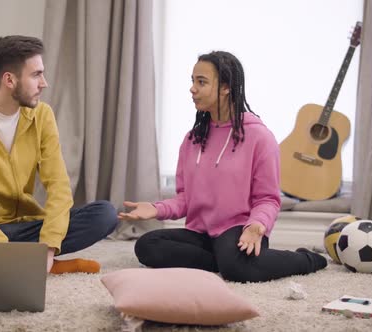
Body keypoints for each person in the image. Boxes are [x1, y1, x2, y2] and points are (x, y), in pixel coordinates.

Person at [118, 51, 327, 283]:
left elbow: (267, 199)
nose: (192, 88)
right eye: (192, 80)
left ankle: (306, 259)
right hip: (201, 234)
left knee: (237, 269)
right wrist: (157, 209)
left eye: (202, 82)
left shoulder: (259, 137)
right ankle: (226, 261)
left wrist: (257, 226)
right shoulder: (192, 140)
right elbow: (185, 199)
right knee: (148, 246)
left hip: (240, 230)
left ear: (226, 87)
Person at [0, 35, 118, 274]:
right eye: (36, 74)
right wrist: (3, 247)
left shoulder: (42, 115)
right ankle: (34, 266)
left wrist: (49, 246)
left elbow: (59, 185)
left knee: (104, 214)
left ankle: (28, 263)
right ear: (9, 79)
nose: (44, 83)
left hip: (27, 227)